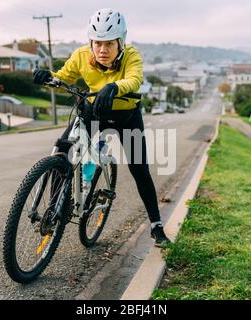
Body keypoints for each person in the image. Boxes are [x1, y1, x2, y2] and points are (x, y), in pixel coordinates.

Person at [33, 8, 171, 247]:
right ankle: (57, 207)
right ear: (91, 41)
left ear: (121, 42)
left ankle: (156, 226)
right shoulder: (81, 55)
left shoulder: (132, 56)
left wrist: (115, 87)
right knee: (63, 150)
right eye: (97, 43)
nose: (102, 50)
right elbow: (63, 75)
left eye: (109, 44)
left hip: (126, 116)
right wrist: (47, 76)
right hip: (93, 112)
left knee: (140, 169)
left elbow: (135, 79)